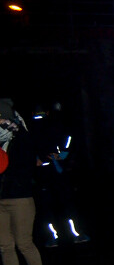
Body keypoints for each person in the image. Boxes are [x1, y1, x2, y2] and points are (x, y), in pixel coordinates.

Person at [0, 99, 50, 265]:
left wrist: (14, 136)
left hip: (20, 197)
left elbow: (27, 163)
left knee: (24, 243)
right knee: (4, 245)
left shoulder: (22, 137)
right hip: (1, 198)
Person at [32, 101, 90, 247]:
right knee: (57, 205)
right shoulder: (34, 127)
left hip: (53, 172)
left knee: (55, 205)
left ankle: (68, 235)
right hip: (47, 173)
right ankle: (64, 235)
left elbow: (68, 138)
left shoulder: (47, 125)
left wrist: (61, 154)